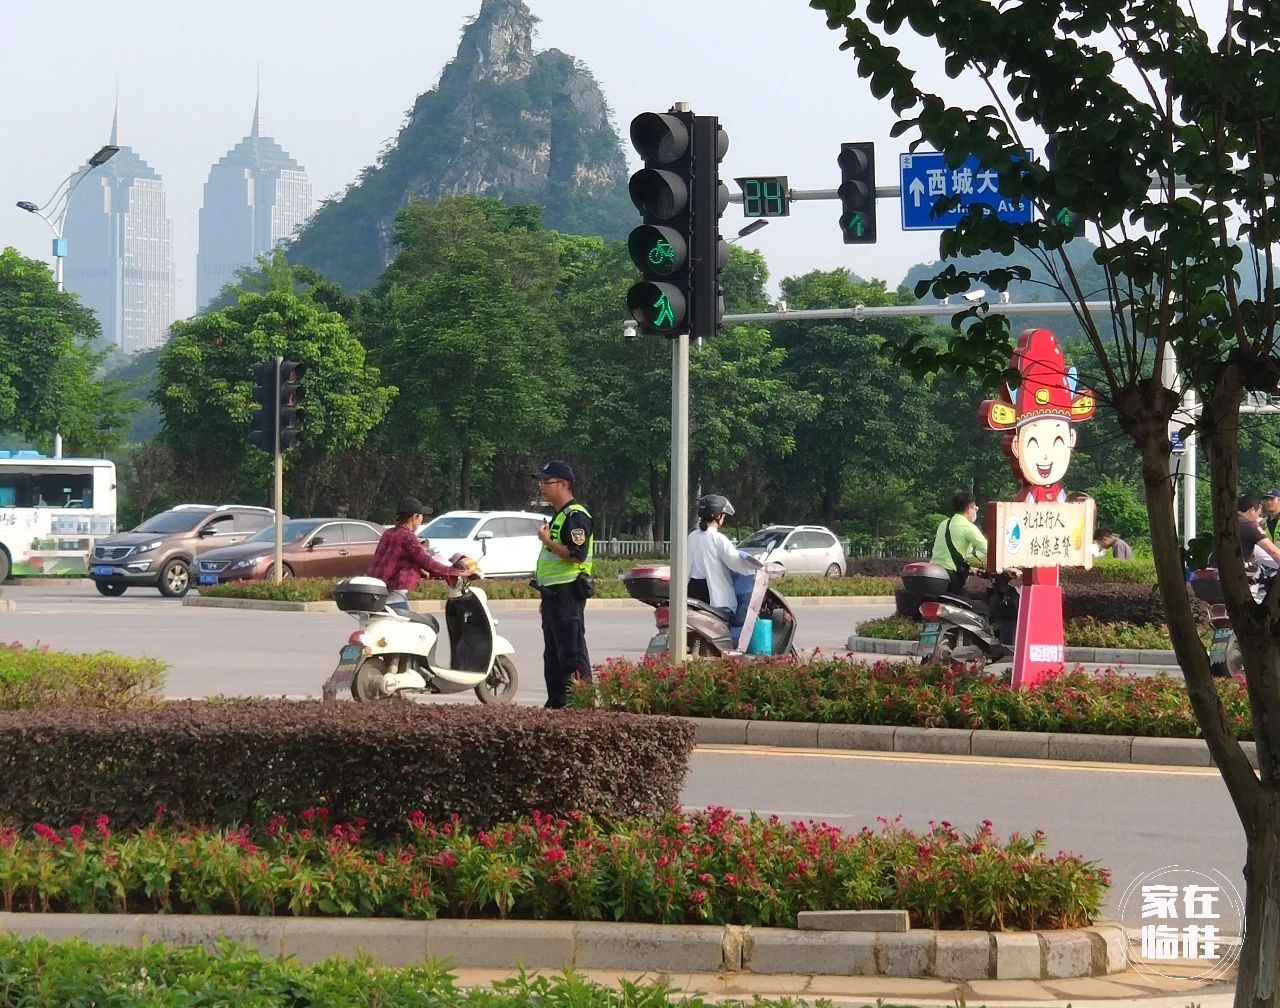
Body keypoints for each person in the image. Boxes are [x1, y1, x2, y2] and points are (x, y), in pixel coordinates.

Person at [532, 460, 593, 709]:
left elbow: (576, 554)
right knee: (554, 656)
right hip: (554, 596)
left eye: (547, 482)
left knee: (571, 653)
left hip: (568, 593)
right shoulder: (560, 515)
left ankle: (580, 704)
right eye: (541, 482)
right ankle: (557, 704)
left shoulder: (576, 515)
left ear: (564, 484)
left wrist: (547, 541)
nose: (542, 487)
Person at [368, 495, 471, 629]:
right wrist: (458, 572)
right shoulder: (409, 537)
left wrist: (420, 571)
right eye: (421, 516)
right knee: (414, 632)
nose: (422, 520)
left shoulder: (388, 533)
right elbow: (428, 562)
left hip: (378, 593)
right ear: (415, 517)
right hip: (395, 595)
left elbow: (395, 560)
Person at [687, 494, 760, 626]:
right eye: (724, 515)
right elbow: (735, 561)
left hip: (692, 590)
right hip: (711, 593)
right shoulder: (718, 538)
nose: (724, 519)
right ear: (717, 516)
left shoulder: (692, 536)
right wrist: (755, 566)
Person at [931, 491, 988, 594]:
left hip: (935, 575)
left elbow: (964, 555)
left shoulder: (944, 524)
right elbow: (990, 551)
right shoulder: (968, 527)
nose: (976, 509)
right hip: (951, 578)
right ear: (968, 508)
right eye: (975, 507)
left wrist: (971, 568)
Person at [1236, 494, 1280, 571]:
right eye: (1258, 513)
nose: (1258, 516)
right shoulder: (1250, 526)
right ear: (1252, 510)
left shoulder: (1229, 524)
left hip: (1211, 571)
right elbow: (1273, 551)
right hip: (1227, 575)